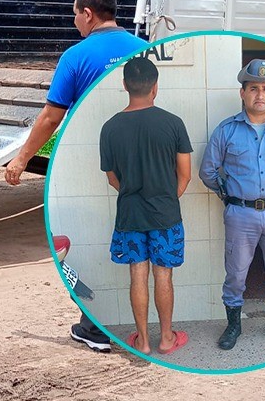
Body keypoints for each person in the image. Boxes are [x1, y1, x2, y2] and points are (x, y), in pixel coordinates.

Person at [4, 0, 148, 352]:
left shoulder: (77, 55)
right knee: (135, 239)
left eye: (74, 14)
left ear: (88, 13)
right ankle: (137, 323)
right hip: (144, 164)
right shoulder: (145, 50)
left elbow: (53, 116)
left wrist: (21, 159)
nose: (74, 22)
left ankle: (97, 327)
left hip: (92, 163)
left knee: (86, 241)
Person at [200, 58, 265, 350]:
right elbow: (207, 171)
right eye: (253, 88)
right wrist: (229, 197)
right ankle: (233, 326)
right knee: (235, 273)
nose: (260, 94)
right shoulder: (227, 131)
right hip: (240, 215)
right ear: (242, 93)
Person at [99, 57, 192, 355]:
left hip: (129, 215)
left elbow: (112, 178)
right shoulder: (173, 123)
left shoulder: (110, 128)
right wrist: (165, 197)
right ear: (155, 87)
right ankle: (166, 337)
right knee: (163, 274)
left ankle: (143, 341)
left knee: (137, 273)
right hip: (165, 214)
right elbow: (185, 174)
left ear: (124, 85)